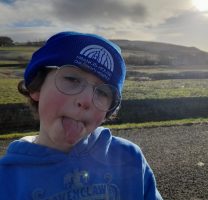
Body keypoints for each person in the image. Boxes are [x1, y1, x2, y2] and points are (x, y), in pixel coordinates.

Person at [0, 31, 163, 200]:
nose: (86, 100)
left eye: (103, 92)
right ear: (36, 87)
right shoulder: (6, 179)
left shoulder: (129, 157)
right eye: (72, 79)